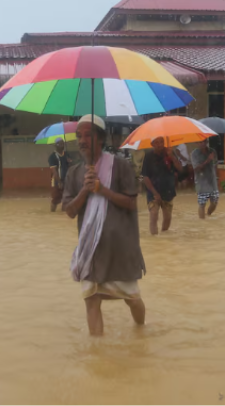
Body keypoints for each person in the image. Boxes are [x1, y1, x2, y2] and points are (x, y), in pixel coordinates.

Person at [62, 115, 146, 336]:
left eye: (88, 135)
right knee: (91, 301)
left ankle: (141, 332)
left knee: (133, 299)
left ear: (100, 138)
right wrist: (85, 190)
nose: (81, 140)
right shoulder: (74, 173)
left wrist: (102, 189)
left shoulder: (120, 166)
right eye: (78, 135)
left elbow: (131, 203)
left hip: (120, 249)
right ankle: (97, 354)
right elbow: (69, 211)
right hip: (91, 251)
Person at [142, 137, 182, 235]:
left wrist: (171, 156)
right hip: (153, 191)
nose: (160, 144)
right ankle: (154, 240)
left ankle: (164, 239)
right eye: (156, 142)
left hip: (168, 190)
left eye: (161, 142)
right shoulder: (148, 156)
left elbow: (180, 169)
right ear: (152, 144)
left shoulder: (170, 152)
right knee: (154, 215)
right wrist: (155, 193)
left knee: (167, 218)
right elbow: (145, 177)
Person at [191, 140, 219, 219]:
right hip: (201, 182)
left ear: (206, 142)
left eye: (203, 142)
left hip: (212, 181)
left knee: (214, 202)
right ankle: (202, 223)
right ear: (196, 143)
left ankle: (208, 215)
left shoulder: (212, 151)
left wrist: (216, 177)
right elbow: (196, 169)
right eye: (199, 142)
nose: (202, 144)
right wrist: (207, 160)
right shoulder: (194, 154)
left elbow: (215, 164)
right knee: (202, 204)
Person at [48, 137, 71, 212]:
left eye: (63, 143)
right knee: (56, 198)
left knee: (66, 198)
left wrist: (69, 161)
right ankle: (52, 212)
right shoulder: (52, 157)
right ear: (56, 145)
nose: (62, 145)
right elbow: (54, 171)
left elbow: (70, 166)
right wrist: (59, 181)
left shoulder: (67, 155)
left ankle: (64, 212)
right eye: (60, 144)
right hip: (57, 180)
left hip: (67, 179)